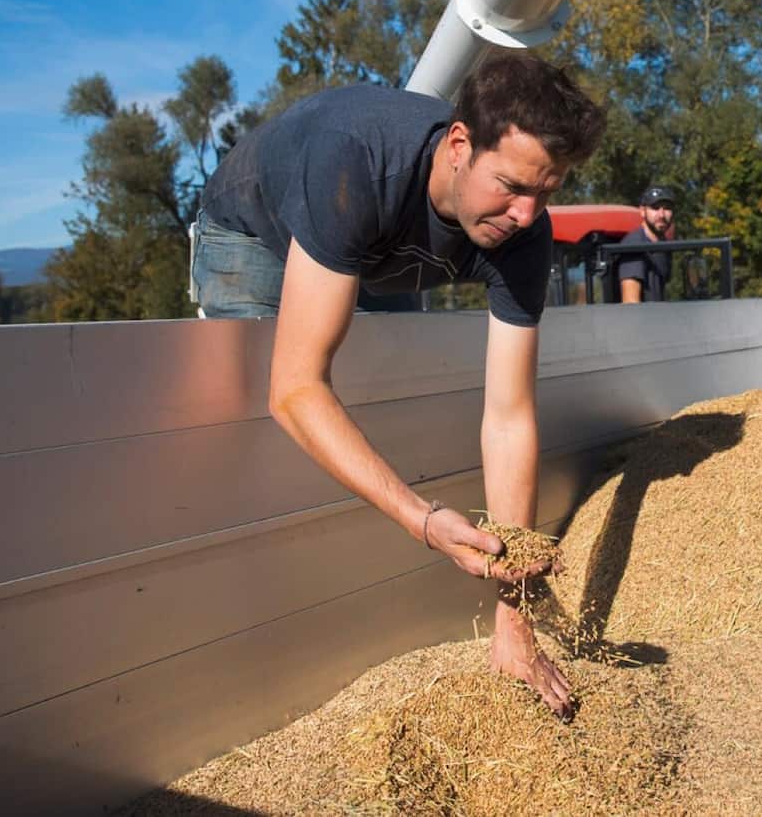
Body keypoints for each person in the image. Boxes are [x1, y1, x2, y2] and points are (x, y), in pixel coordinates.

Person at [188, 50, 606, 716]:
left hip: (376, 248)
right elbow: (295, 388)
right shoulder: (355, 162)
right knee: (274, 430)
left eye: (546, 192)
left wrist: (515, 622)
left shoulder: (524, 231)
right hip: (256, 236)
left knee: (385, 402)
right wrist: (424, 519)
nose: (528, 215)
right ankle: (262, 650)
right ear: (460, 145)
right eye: (511, 187)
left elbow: (510, 416)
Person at [617, 184, 676, 303]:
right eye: (655, 208)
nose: (662, 215)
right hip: (644, 321)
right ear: (642, 211)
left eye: (667, 208)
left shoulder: (663, 245)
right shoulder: (634, 246)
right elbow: (630, 305)